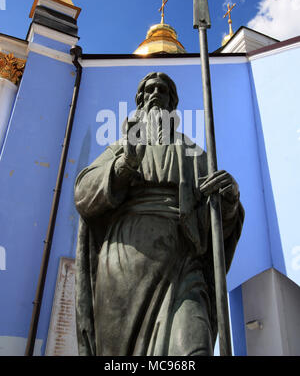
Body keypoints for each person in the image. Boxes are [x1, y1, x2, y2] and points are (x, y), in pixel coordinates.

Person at [74, 72, 244, 356]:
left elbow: (214, 222)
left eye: (162, 90)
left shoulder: (195, 154)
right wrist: (125, 163)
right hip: (125, 262)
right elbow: (84, 195)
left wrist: (229, 201)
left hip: (182, 262)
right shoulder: (119, 147)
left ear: (171, 103)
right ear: (140, 102)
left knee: (194, 347)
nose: (155, 94)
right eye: (149, 90)